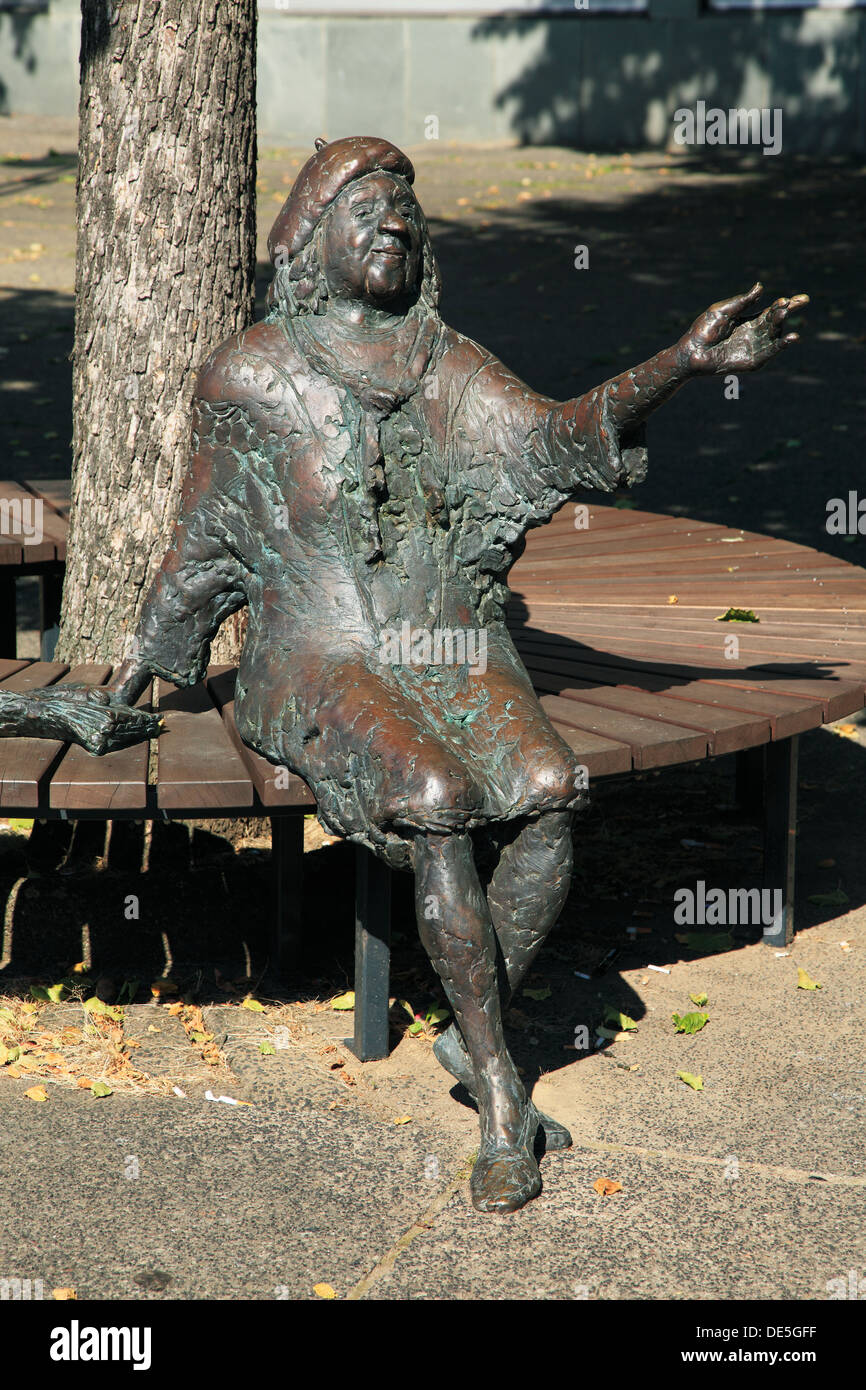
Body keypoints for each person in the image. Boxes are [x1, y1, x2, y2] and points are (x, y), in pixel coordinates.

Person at [2, 136, 807, 1213]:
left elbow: (558, 440)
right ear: (311, 234)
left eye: (405, 214)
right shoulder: (252, 374)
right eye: (368, 209)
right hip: (316, 655)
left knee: (550, 790)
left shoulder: (444, 361)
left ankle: (468, 1030)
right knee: (435, 798)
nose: (393, 226)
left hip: (452, 638)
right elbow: (202, 543)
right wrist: (142, 672)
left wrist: (676, 366)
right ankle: (501, 1098)